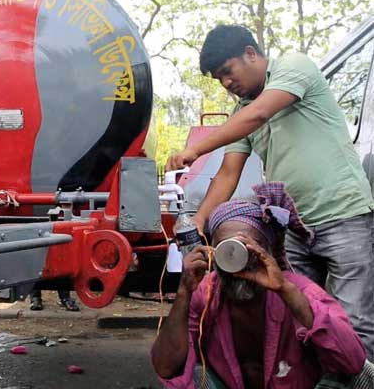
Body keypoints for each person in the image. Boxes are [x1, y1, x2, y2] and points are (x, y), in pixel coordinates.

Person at [165, 24, 374, 358]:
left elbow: (260, 113)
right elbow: (227, 174)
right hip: (293, 229)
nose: (226, 84)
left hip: (343, 215)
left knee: (355, 323)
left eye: (227, 72)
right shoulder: (241, 112)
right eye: (219, 79)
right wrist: (199, 222)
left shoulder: (295, 66)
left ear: (251, 53)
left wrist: (196, 150)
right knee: (301, 318)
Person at [151, 182, 372, 388]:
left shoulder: (298, 290)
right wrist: (183, 293)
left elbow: (353, 364)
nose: (238, 260)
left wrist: (284, 289)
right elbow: (166, 368)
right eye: (226, 250)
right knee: (193, 377)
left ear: (267, 249)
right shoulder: (205, 293)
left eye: (250, 248)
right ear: (213, 252)